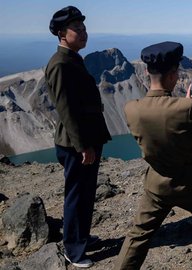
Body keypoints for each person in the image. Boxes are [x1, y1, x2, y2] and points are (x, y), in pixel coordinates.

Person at [115, 42, 192, 270]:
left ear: (147, 72)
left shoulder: (131, 108)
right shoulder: (185, 107)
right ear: (173, 75)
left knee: (139, 235)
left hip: (157, 185)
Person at [45, 6, 111, 268]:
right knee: (76, 195)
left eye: (84, 29)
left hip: (86, 139)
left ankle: (82, 237)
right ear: (62, 33)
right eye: (78, 30)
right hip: (76, 144)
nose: (84, 33)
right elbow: (66, 110)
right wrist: (82, 145)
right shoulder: (61, 64)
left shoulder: (72, 59)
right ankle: (73, 249)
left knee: (86, 192)